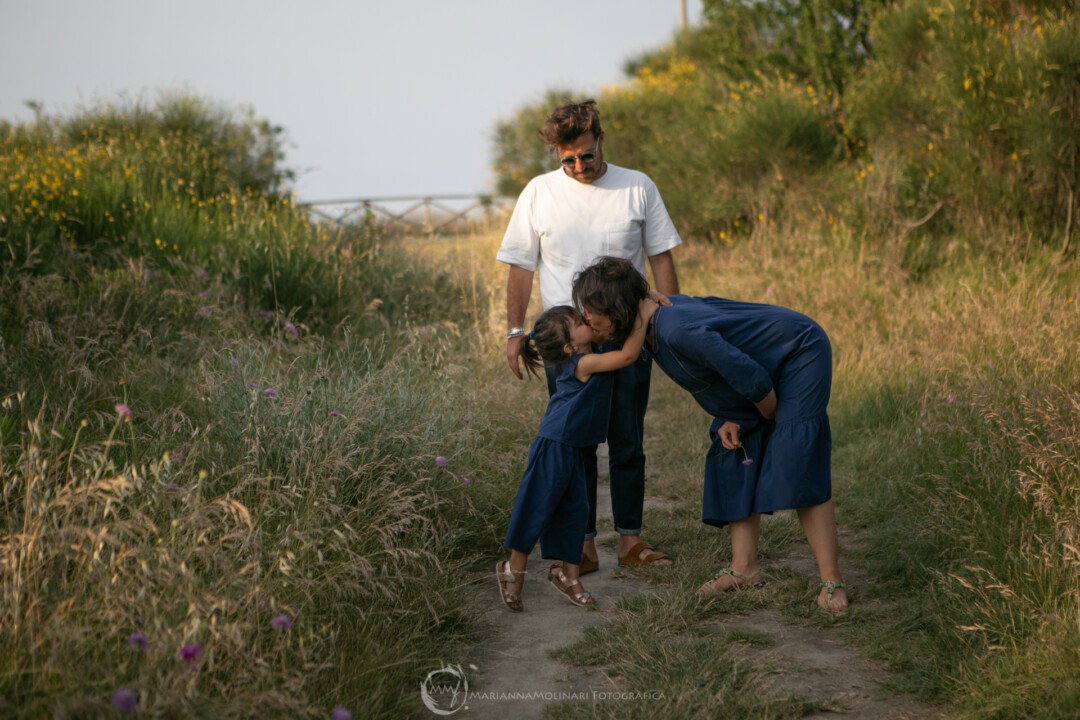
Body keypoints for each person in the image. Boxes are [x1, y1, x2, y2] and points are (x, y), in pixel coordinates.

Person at [571, 257, 848, 613]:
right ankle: (743, 569)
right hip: (763, 365)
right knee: (732, 445)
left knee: (797, 456)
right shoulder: (650, 326)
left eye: (592, 309)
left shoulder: (675, 330)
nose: (587, 318)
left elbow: (749, 375)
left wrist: (765, 416)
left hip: (799, 352)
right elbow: (722, 372)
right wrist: (730, 417)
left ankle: (831, 582)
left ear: (619, 308)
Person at [496, 99, 682, 573]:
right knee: (575, 444)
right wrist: (516, 330)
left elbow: (661, 256)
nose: (579, 166)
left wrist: (672, 318)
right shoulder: (538, 193)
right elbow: (520, 265)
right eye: (567, 159)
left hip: (628, 337)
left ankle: (630, 542)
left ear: (601, 140)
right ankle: (582, 542)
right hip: (568, 342)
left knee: (627, 441)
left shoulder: (637, 187)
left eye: (586, 155)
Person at [496, 298, 659, 611]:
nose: (587, 321)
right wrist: (642, 317)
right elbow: (627, 356)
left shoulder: (589, 352)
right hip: (555, 445)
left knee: (575, 511)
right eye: (580, 323)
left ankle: (569, 576)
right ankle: (512, 571)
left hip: (573, 446)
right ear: (569, 347)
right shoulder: (582, 364)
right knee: (536, 507)